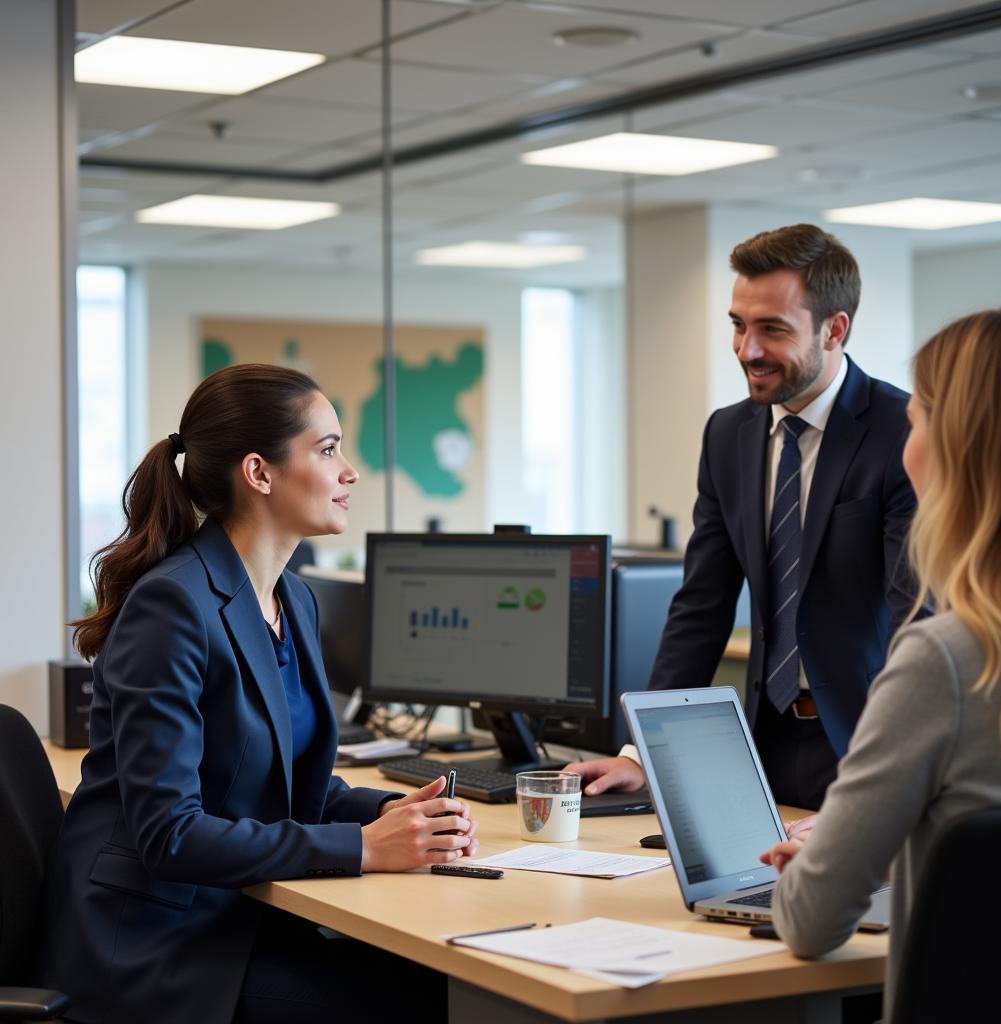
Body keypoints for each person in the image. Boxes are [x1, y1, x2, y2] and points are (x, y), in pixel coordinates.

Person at [36, 364, 477, 1024]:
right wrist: (363, 848)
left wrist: (397, 814)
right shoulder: (173, 605)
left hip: (234, 917)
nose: (349, 472)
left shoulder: (292, 599)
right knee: (425, 999)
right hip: (152, 945)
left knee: (425, 982)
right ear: (259, 473)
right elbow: (171, 836)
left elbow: (286, 784)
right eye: (328, 450)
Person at [567, 224, 920, 810]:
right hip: (762, 743)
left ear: (834, 330)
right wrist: (642, 754)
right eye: (738, 325)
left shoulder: (902, 430)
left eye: (772, 330)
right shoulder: (728, 433)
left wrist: (888, 783)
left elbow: (919, 620)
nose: (746, 350)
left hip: (871, 746)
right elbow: (702, 603)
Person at [763, 306, 1001, 1021]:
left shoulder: (946, 661)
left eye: (916, 420)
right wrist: (902, 853)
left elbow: (811, 923)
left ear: (957, 447)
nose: (905, 443)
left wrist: (820, 874)